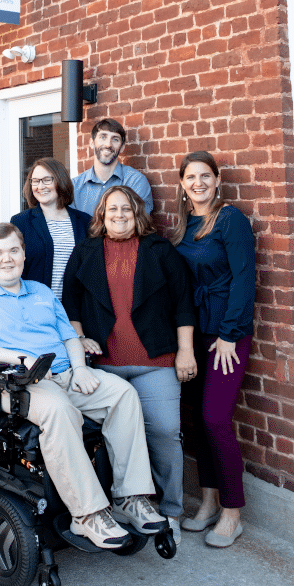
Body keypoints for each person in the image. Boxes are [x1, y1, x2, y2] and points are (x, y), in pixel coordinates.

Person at [0, 223, 167, 548]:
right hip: (20, 384)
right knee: (58, 409)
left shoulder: (41, 291)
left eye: (14, 250)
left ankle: (131, 497)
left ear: (24, 255)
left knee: (123, 394)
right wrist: (18, 359)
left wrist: (81, 368)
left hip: (66, 373)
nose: (7, 258)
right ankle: (88, 516)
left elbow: (69, 334)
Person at [62, 186, 196, 543]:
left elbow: (184, 302)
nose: (119, 215)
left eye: (125, 209)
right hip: (104, 365)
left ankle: (170, 509)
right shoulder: (86, 251)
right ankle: (123, 503)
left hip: (156, 361)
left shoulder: (160, 250)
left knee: (165, 432)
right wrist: (79, 339)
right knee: (110, 437)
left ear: (137, 213)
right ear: (101, 217)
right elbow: (70, 302)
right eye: (111, 210)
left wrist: (186, 351)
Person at [172, 152, 256, 548]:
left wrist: (229, 333)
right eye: (191, 177)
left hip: (226, 336)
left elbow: (244, 278)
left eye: (205, 175)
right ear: (183, 184)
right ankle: (206, 503)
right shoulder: (185, 225)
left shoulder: (230, 220)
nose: (199, 183)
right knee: (196, 421)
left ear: (217, 179)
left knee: (215, 417)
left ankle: (232, 512)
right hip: (194, 336)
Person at [11, 157, 91, 300]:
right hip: (36, 309)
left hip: (75, 312)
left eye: (47, 180)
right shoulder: (21, 222)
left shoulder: (84, 222)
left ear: (60, 181)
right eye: (35, 181)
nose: (40, 186)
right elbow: (15, 270)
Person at [72, 118, 153, 216]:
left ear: (122, 147)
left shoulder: (136, 182)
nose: (108, 144)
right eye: (103, 137)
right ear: (92, 143)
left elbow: (140, 224)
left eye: (115, 139)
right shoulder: (74, 186)